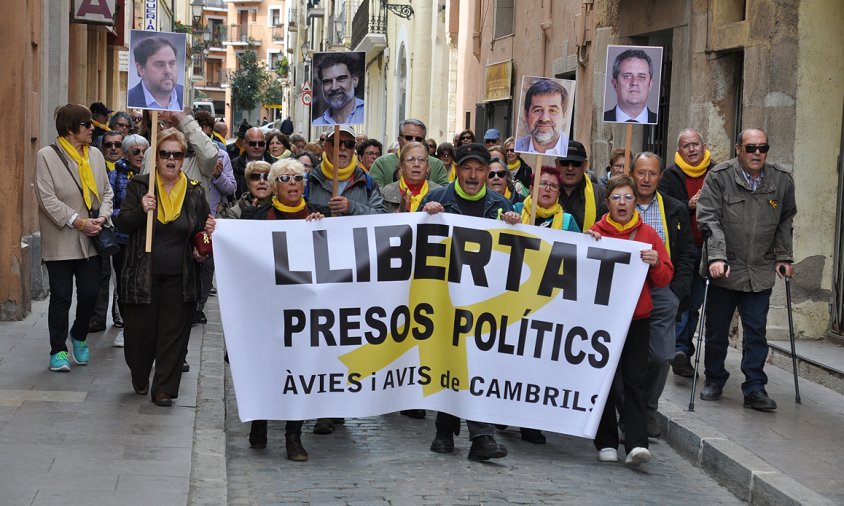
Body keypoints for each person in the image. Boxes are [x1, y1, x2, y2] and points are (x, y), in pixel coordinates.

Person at [419, 142, 519, 461]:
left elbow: (514, 254)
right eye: (467, 168)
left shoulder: (501, 205)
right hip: (443, 298)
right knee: (451, 362)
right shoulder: (437, 200)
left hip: (483, 302)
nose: (474, 175)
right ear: (457, 170)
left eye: (480, 169)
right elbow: (414, 242)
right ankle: (447, 430)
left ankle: (476, 436)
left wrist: (516, 228)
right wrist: (425, 217)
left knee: (476, 364)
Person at [230, 158, 325, 459]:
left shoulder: (317, 218)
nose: (292, 184)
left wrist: (322, 229)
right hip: (265, 307)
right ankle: (259, 421)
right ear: (273, 186)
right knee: (266, 367)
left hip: (302, 310)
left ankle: (293, 437)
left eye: (298, 178)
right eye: (284, 179)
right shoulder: (255, 217)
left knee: (299, 369)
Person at [696, 128, 796, 412]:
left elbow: (785, 220)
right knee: (717, 331)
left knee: (756, 332)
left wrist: (784, 257)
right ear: (738, 148)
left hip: (760, 269)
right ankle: (715, 378)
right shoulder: (719, 177)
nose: (757, 154)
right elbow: (709, 218)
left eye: (762, 148)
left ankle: (754, 387)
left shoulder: (781, 180)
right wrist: (716, 256)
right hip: (725, 268)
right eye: (751, 148)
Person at [115, 128, 214, 407]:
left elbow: (202, 231)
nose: (171, 159)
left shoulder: (195, 192)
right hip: (141, 277)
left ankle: (164, 388)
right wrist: (140, 211)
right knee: (139, 337)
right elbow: (122, 224)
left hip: (180, 279)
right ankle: (139, 372)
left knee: (173, 337)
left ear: (183, 159)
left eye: (177, 154)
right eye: (165, 153)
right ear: (155, 158)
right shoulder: (140, 186)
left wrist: (204, 240)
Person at [585, 175, 673, 466]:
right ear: (607, 201)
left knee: (635, 380)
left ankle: (636, 443)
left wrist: (656, 262)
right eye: (616, 198)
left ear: (636, 201)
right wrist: (588, 245)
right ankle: (606, 441)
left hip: (637, 319)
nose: (622, 203)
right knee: (604, 380)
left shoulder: (648, 234)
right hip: (603, 320)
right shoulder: (595, 232)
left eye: (628, 198)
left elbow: (664, 278)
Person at [306, 125, 386, 433]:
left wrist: (351, 207)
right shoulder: (309, 180)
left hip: (354, 273)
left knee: (345, 340)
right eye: (336, 143)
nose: (342, 149)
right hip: (318, 272)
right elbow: (294, 214)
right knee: (321, 338)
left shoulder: (365, 181)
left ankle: (335, 403)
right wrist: (313, 217)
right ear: (324, 146)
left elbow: (382, 219)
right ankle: (321, 405)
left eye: (349, 144)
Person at [35, 103, 114, 372]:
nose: (93, 129)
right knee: (61, 296)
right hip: (61, 238)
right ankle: (57, 349)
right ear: (71, 129)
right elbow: (47, 199)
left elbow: (106, 192)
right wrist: (79, 222)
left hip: (91, 238)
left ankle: (78, 334)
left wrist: (101, 219)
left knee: (91, 293)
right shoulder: (46, 156)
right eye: (87, 125)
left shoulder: (95, 155)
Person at [629, 152, 694, 438]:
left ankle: (648, 408)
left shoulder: (675, 208)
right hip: (623, 292)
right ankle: (626, 412)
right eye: (641, 173)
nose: (646, 179)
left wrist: (676, 292)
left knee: (661, 355)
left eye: (652, 173)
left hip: (661, 291)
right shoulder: (620, 202)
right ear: (632, 174)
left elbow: (688, 253)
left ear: (660, 177)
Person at [659, 128, 715, 378]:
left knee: (697, 303)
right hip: (683, 248)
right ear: (679, 151)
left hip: (711, 248)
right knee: (684, 300)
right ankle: (680, 349)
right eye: (686, 146)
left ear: (703, 146)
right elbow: (664, 205)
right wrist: (688, 205)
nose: (692, 149)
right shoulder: (671, 176)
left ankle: (683, 349)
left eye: (696, 144)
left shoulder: (717, 172)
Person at [108, 134, 150, 347]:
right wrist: (129, 213)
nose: (140, 155)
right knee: (124, 286)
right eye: (135, 151)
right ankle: (126, 326)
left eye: (144, 151)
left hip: (148, 239)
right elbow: (108, 206)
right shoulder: (115, 175)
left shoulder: (153, 174)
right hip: (123, 239)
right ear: (126, 153)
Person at [89, 130, 125, 333]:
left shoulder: (130, 168)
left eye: (117, 145)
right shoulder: (96, 165)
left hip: (125, 233)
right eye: (108, 145)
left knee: (121, 277)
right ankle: (97, 318)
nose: (113, 149)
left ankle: (119, 316)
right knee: (101, 274)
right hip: (103, 229)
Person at [369, 119, 450, 187]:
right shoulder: (382, 164)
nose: (413, 141)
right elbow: (375, 196)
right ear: (399, 140)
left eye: (418, 139)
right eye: (409, 138)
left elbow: (445, 194)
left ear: (424, 141)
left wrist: (425, 182)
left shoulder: (437, 164)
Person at [556, 140, 608, 231]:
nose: (570, 168)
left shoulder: (599, 194)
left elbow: (607, 228)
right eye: (565, 162)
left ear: (585, 165)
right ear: (557, 164)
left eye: (576, 163)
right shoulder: (545, 192)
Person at [513, 165, 579, 232]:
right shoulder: (516, 210)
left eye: (553, 186)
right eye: (543, 184)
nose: (547, 189)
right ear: (531, 189)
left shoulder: (567, 221)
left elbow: (579, 242)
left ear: (558, 194)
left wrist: (588, 237)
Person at [381, 141, 442, 213]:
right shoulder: (385, 193)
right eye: (410, 159)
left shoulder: (440, 193)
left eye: (421, 159)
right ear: (401, 165)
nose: (416, 164)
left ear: (427, 166)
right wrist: (399, 212)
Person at [128, 36, 184, 111]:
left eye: (172, 63)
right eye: (160, 64)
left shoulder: (183, 95)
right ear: (141, 69)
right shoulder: (129, 99)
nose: (168, 71)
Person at [515, 79, 570, 155]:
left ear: (564, 115)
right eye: (537, 110)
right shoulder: (516, 148)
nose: (544, 118)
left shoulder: (571, 150)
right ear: (526, 114)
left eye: (552, 110)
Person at [603, 49, 657, 123]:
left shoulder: (663, 123)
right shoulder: (602, 117)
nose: (634, 82)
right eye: (627, 76)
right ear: (615, 84)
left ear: (650, 85)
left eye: (641, 77)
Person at [313, 52, 365, 125]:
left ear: (355, 80)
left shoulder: (368, 113)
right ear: (322, 86)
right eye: (327, 81)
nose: (334, 87)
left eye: (341, 79)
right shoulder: (317, 123)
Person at [232, 127, 277, 199]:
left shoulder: (276, 165)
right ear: (244, 144)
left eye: (261, 143)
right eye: (252, 143)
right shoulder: (233, 165)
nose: (257, 147)